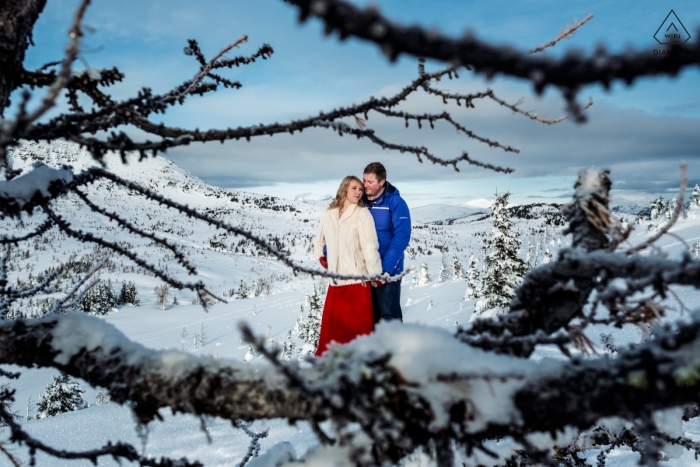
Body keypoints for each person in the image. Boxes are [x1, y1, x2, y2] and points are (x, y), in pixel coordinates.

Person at [313, 175, 383, 356]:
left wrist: (376, 273)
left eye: (361, 190)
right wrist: (321, 257)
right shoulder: (328, 213)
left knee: (357, 335)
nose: (359, 192)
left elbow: (370, 246)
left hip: (356, 282)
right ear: (344, 188)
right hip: (335, 282)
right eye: (355, 188)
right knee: (332, 335)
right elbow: (318, 241)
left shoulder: (362, 213)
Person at [362, 162, 411, 322]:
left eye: (370, 182)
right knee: (370, 318)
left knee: (389, 316)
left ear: (382, 182)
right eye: (364, 181)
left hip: (388, 271)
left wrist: (385, 269)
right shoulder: (361, 202)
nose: (365, 185)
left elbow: (401, 237)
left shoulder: (396, 203)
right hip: (365, 269)